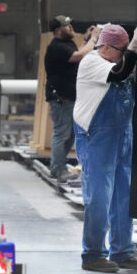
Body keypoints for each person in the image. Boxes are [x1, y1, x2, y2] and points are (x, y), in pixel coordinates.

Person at [73, 21, 137, 273]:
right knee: (99, 196)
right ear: (106, 48)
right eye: (122, 50)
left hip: (121, 133)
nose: (125, 55)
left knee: (123, 195)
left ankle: (122, 250)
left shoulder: (113, 58)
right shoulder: (92, 62)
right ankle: (93, 254)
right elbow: (120, 71)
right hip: (96, 135)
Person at [44, 15, 101, 182]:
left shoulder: (66, 44)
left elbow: (76, 53)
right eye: (67, 26)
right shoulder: (56, 47)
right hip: (61, 97)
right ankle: (57, 168)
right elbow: (78, 57)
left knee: (70, 135)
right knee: (61, 133)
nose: (70, 28)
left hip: (69, 96)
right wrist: (94, 39)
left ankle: (59, 167)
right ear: (58, 30)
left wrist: (86, 39)